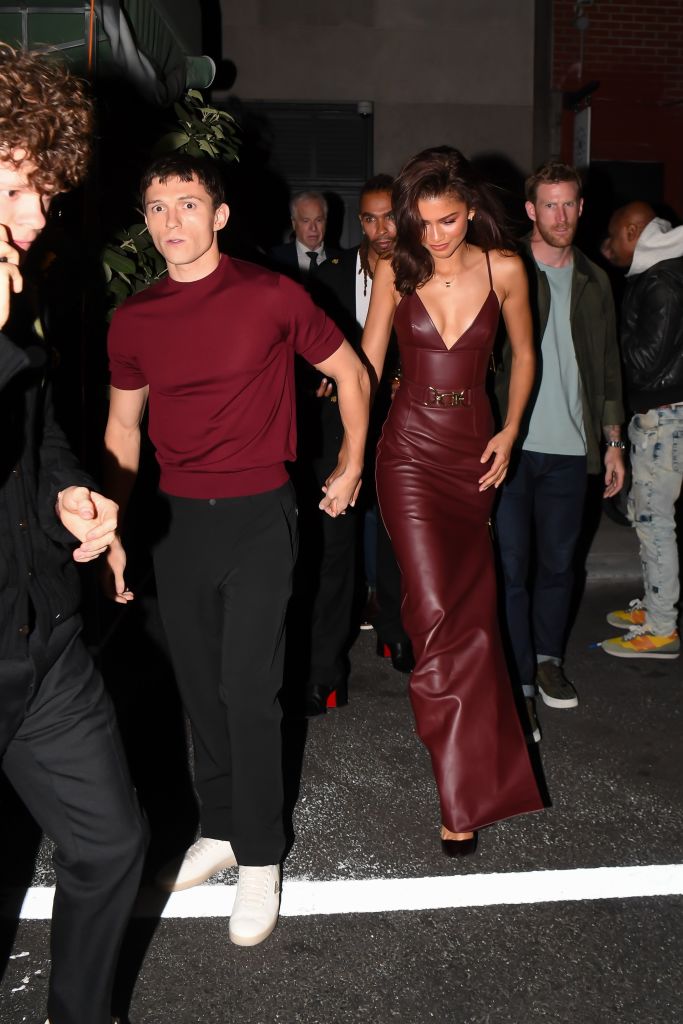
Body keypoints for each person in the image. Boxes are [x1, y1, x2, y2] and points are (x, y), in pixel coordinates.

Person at [103, 153, 369, 945]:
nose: (172, 221)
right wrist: (113, 530)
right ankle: (219, 828)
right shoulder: (135, 318)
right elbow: (123, 428)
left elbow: (352, 373)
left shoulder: (271, 294)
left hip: (259, 515)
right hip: (176, 522)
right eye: (157, 207)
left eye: (187, 204)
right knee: (199, 688)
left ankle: (259, 856)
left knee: (249, 690)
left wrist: (352, 461)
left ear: (219, 215)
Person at [0, 44, 146, 1024]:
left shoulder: (21, 284)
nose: (34, 220)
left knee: (110, 843)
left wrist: (71, 494)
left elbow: (39, 425)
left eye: (44, 195)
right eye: (15, 190)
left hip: (41, 632)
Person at [362, 146, 543, 853]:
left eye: (448, 220)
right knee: (435, 612)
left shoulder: (504, 269)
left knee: (470, 615)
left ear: (470, 211)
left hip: (473, 450)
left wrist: (511, 429)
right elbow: (369, 363)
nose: (435, 235)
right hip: (407, 451)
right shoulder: (395, 269)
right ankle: (459, 794)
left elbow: (524, 354)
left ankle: (483, 763)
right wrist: (349, 456)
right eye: (424, 222)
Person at [494, 161, 625, 734]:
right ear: (531, 210)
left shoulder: (596, 280)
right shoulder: (507, 268)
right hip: (513, 448)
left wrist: (613, 441)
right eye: (550, 204)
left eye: (569, 203)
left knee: (558, 566)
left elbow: (609, 368)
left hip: (573, 449)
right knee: (511, 568)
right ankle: (520, 681)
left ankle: (547, 661)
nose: (561, 215)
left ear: (581, 207)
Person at [299, 174, 412, 716]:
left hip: (400, 426)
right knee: (332, 550)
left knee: (396, 538)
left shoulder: (420, 271)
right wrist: (320, 376)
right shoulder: (329, 275)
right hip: (336, 431)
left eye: (389, 216)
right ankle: (324, 672)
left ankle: (395, 632)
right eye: (370, 218)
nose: (381, 228)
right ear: (358, 221)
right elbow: (305, 348)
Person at [599, 202, 683, 659]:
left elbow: (647, 362)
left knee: (654, 523)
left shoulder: (662, 280)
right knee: (646, 516)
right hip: (661, 418)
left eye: (613, 236)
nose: (607, 246)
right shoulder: (659, 272)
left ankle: (661, 628)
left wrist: (608, 349)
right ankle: (655, 607)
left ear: (633, 231)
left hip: (664, 419)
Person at [270, 191, 343, 279]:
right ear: (294, 223)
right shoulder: (275, 258)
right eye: (306, 221)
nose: (313, 228)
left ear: (325, 222)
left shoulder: (342, 261)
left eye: (318, 220)